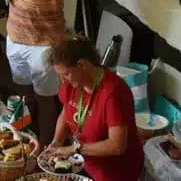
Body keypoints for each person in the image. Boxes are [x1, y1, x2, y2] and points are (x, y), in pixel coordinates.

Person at [5, 0, 73, 144]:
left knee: (45, 99)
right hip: (15, 34)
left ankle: (46, 148)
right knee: (23, 92)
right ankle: (26, 139)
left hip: (43, 44)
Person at [44, 34, 145, 181]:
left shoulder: (114, 92)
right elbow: (66, 112)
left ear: (82, 64)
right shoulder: (72, 83)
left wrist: (73, 149)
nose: (62, 79)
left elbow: (117, 145)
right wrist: (56, 142)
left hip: (115, 172)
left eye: (65, 74)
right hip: (84, 163)